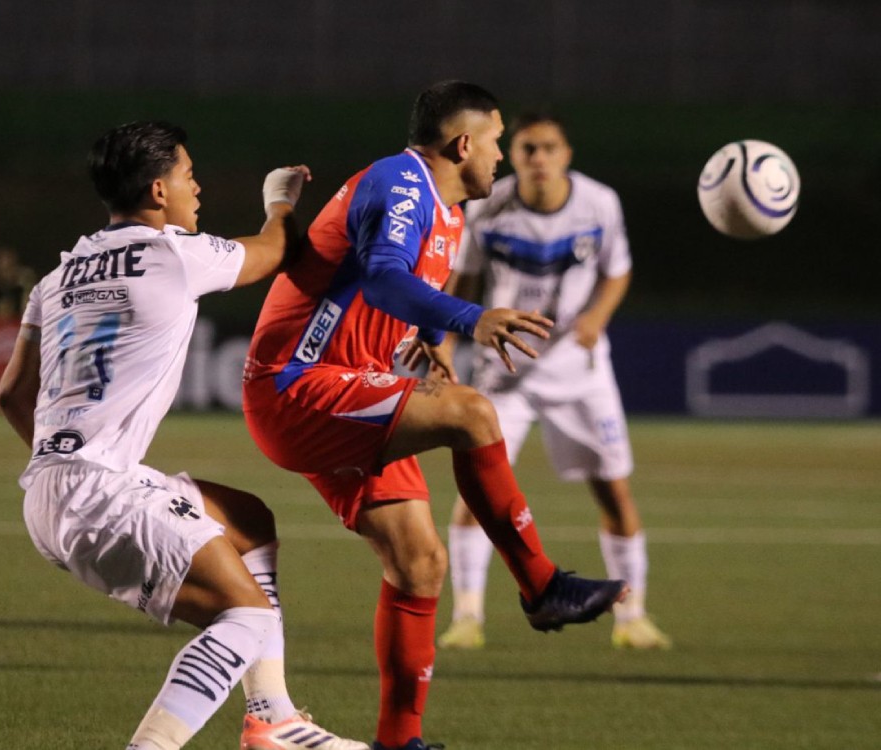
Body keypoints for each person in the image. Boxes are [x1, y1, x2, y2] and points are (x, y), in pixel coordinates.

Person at [242, 82, 629, 750]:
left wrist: (426, 339)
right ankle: (540, 586)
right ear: (463, 144)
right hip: (296, 386)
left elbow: (380, 291)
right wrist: (472, 319)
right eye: (497, 140)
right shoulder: (403, 184)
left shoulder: (449, 215)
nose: (502, 155)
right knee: (476, 414)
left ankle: (399, 742)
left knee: (420, 563)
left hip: (346, 389)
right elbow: (388, 275)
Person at [0, 120, 368, 750]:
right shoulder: (174, 254)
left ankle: (274, 717)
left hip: (49, 488)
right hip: (100, 493)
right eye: (190, 176)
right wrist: (280, 199)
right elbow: (275, 248)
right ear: (158, 189)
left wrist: (70, 457)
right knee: (245, 616)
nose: (197, 189)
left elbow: (11, 394)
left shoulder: (56, 279)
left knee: (247, 519)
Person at [436, 110, 671, 652]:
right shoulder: (489, 208)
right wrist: (447, 340)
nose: (537, 158)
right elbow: (465, 277)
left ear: (566, 154)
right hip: (505, 368)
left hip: (578, 371)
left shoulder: (599, 203)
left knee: (613, 490)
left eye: (548, 148)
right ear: (513, 156)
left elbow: (618, 270)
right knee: (478, 494)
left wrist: (596, 318)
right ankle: (467, 617)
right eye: (526, 150)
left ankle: (632, 616)